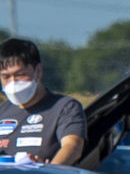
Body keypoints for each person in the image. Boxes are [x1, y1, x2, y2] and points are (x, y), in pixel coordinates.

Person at [0, 37, 84, 166]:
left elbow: (72, 146)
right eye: (6, 77)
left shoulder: (65, 107)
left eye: (20, 75)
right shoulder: (2, 110)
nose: (13, 82)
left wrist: (47, 172)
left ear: (38, 71)